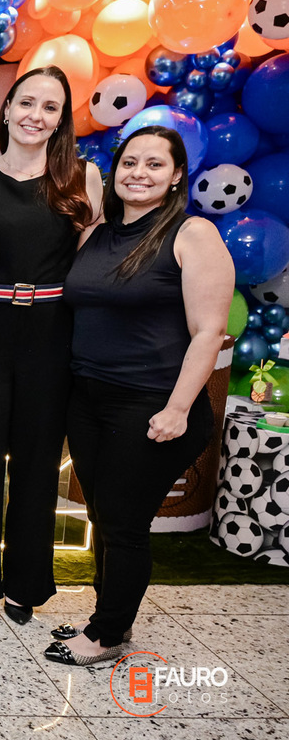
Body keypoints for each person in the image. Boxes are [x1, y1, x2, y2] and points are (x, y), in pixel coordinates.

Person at [47, 126, 232, 665]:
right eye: (130, 162)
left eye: (155, 164)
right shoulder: (97, 233)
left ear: (177, 176)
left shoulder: (192, 234)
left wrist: (178, 408)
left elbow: (208, 332)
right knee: (105, 518)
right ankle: (108, 617)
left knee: (124, 524)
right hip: (89, 399)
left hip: (151, 404)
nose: (139, 173)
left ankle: (106, 636)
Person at [0, 66, 103, 626]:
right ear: (7, 108)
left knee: (38, 465)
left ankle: (26, 584)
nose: (36, 115)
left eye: (50, 107)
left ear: (61, 121)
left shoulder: (82, 177)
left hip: (51, 330)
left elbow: (91, 268)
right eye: (27, 102)